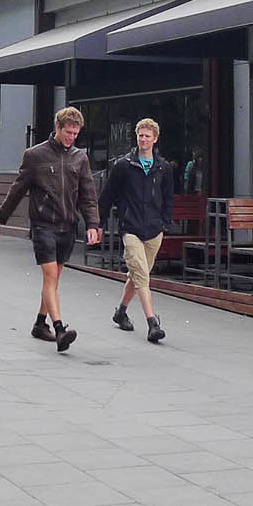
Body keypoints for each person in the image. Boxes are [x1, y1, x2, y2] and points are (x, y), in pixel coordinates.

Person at [0, 106, 101, 353]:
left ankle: (40, 323)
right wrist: (1, 218)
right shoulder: (35, 155)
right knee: (50, 276)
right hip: (43, 224)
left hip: (68, 226)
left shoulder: (80, 158)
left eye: (76, 134)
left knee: (54, 279)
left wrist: (92, 224)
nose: (72, 138)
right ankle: (60, 329)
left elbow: (88, 195)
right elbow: (18, 189)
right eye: (68, 132)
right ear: (58, 127)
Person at [99, 118, 174, 344]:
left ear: (155, 139)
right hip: (130, 227)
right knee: (142, 275)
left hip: (154, 229)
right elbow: (108, 195)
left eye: (147, 136)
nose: (143, 139)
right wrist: (99, 223)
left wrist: (164, 223)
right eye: (140, 135)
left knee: (138, 275)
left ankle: (121, 312)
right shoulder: (124, 165)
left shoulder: (163, 168)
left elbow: (168, 198)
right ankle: (153, 323)